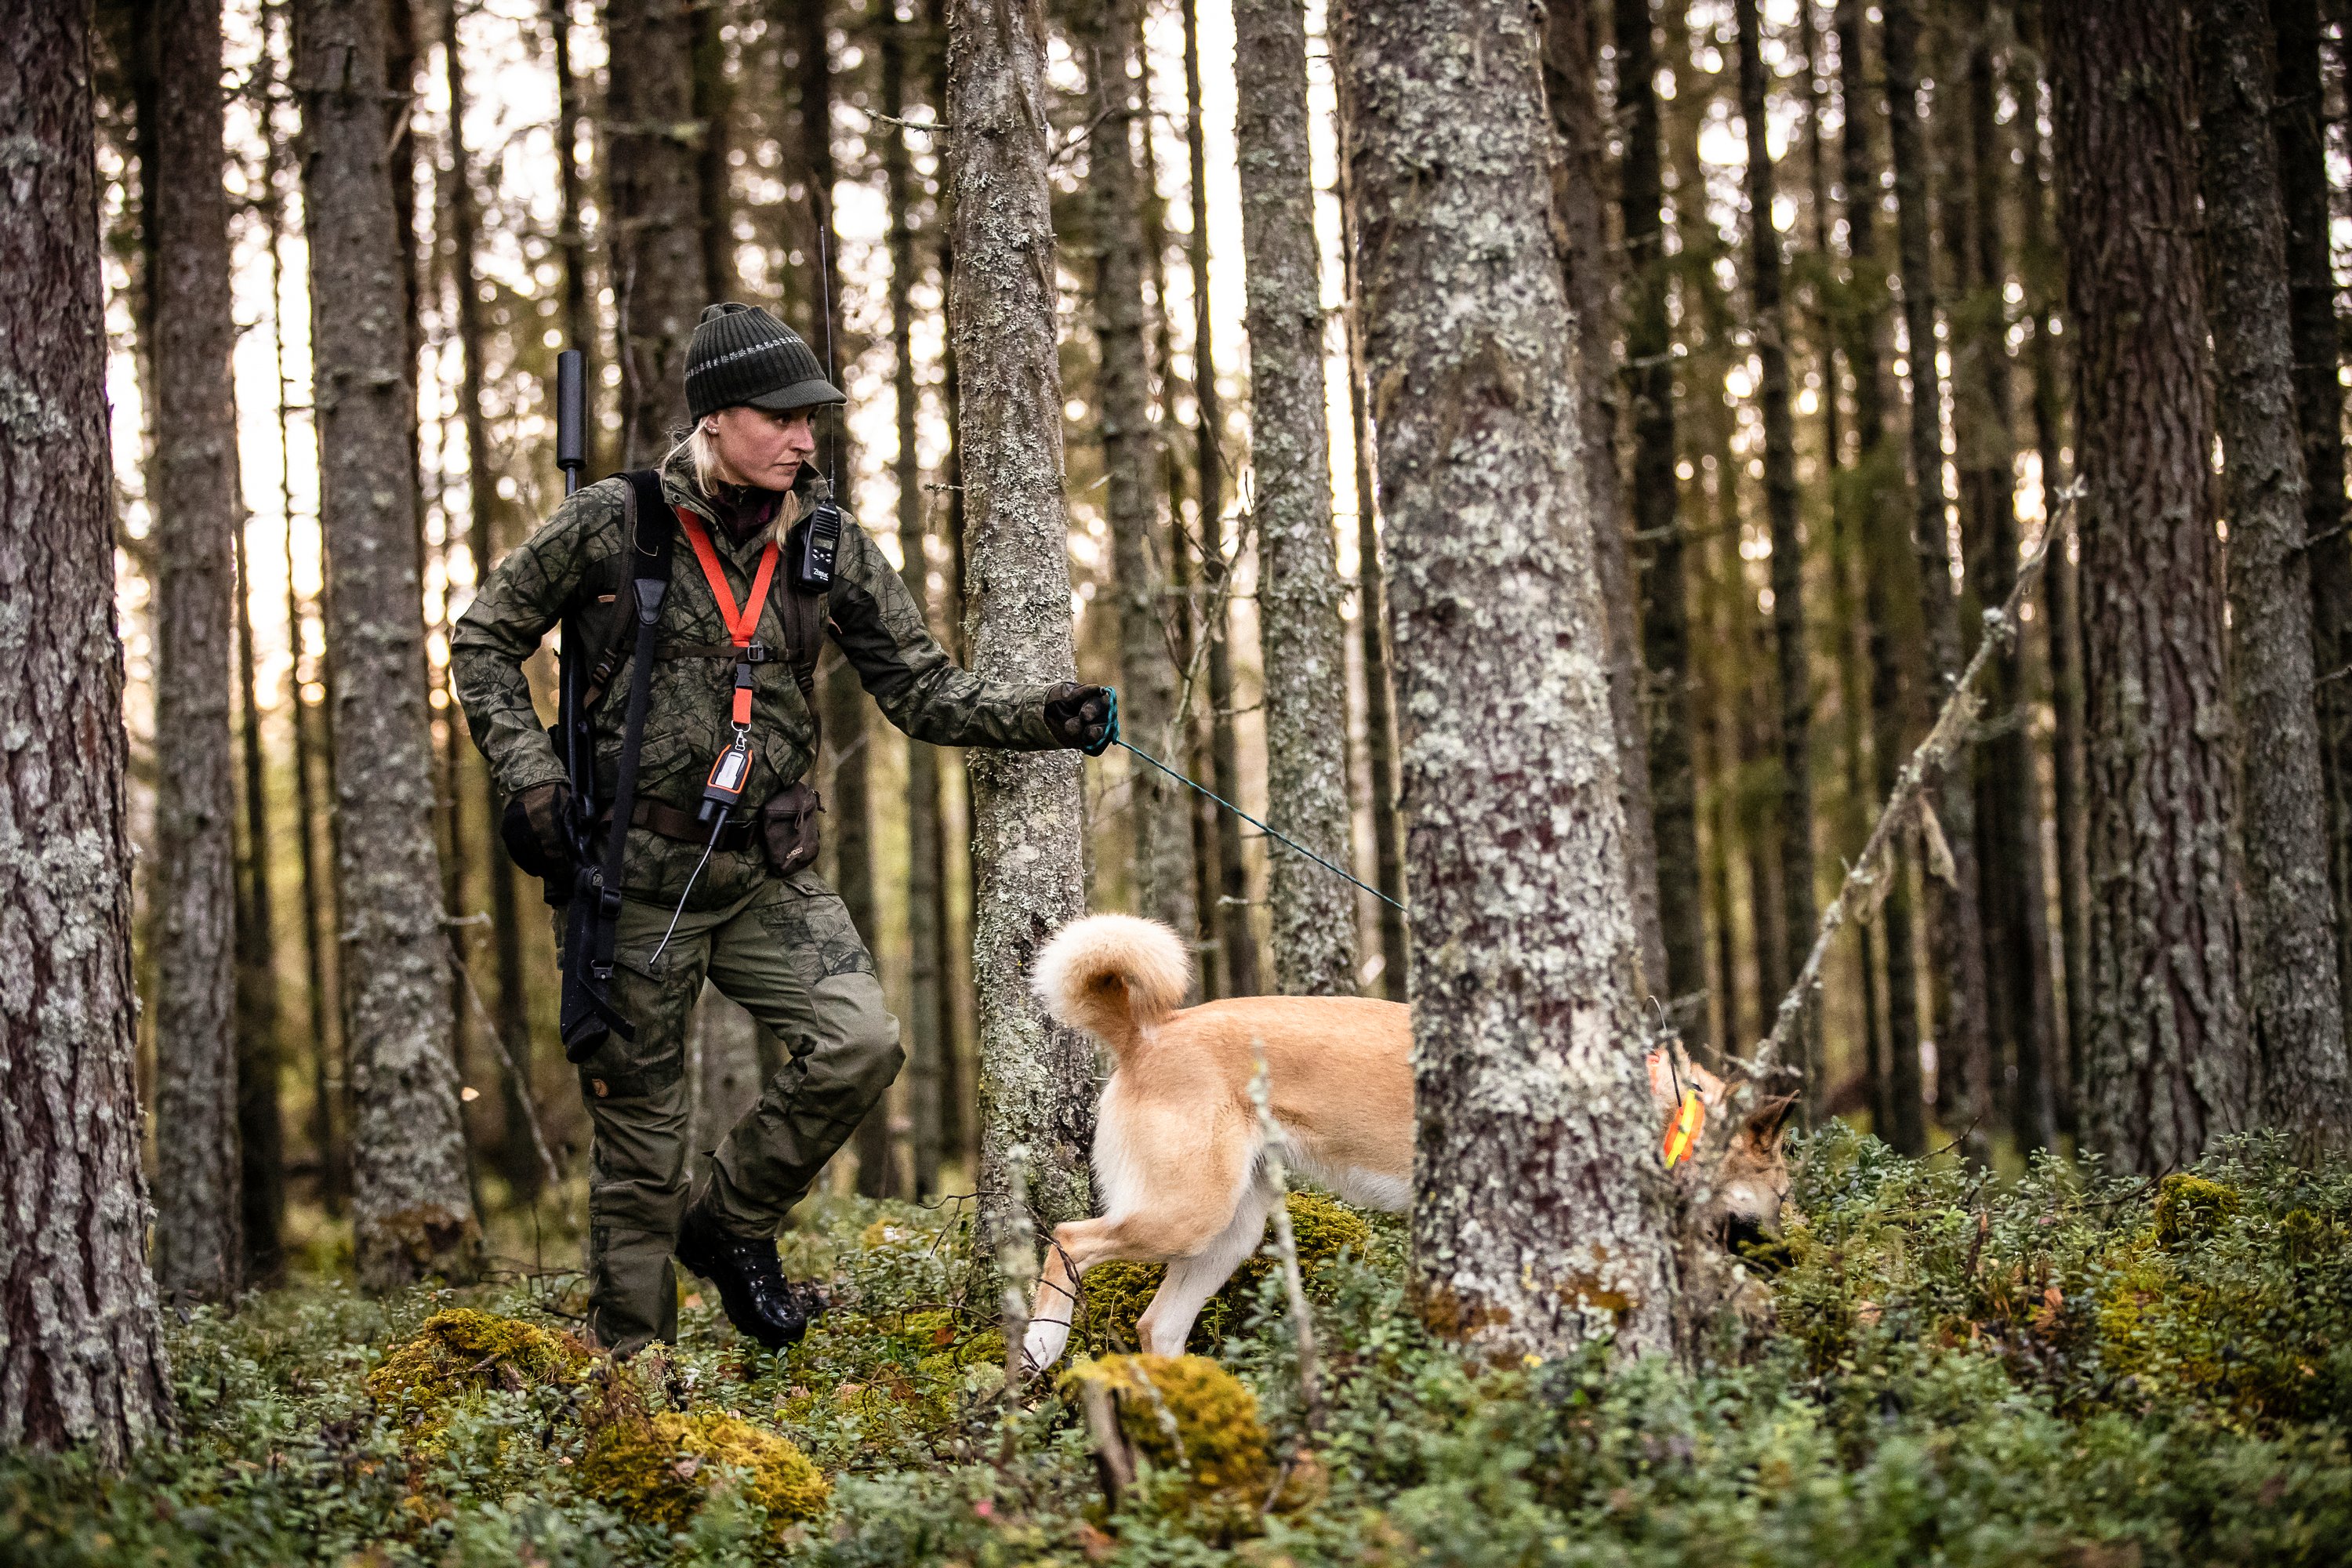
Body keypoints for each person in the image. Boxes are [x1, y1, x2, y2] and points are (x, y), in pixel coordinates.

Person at [452, 302, 1115, 1355]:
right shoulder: (611, 523)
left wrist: (1043, 716)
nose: (806, 439)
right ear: (717, 418)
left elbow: (923, 689)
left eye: (815, 420)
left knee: (862, 1045)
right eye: (785, 418)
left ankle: (731, 1223)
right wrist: (532, 781)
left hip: (764, 874)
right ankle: (638, 1387)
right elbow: (482, 641)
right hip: (628, 888)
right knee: (640, 1153)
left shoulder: (826, 542)